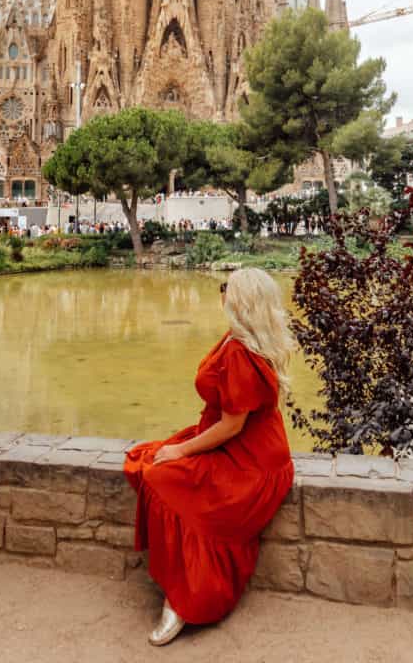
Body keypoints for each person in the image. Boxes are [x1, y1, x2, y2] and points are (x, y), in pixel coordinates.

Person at [124, 268, 295, 647]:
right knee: (149, 460)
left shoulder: (239, 351)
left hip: (250, 460)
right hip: (243, 446)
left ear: (242, 301)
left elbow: (233, 426)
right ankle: (183, 583)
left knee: (162, 477)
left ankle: (186, 599)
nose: (221, 294)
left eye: (226, 288)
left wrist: (182, 449)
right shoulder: (239, 338)